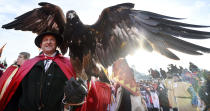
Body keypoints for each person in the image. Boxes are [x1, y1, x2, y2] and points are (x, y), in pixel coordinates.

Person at [0, 32, 76, 111]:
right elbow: (16, 91)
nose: (48, 42)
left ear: (56, 44)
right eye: (45, 40)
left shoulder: (68, 64)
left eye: (52, 40)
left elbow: (73, 95)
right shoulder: (29, 63)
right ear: (40, 45)